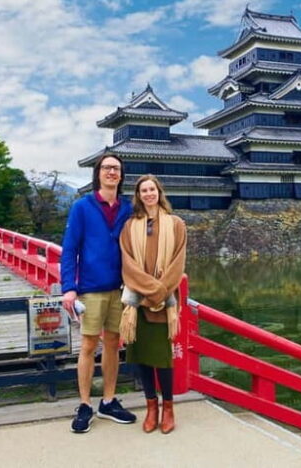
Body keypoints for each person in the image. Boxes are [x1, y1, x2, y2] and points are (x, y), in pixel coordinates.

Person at [60, 153, 137, 433]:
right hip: (91, 287)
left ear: (121, 175)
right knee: (89, 344)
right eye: (106, 168)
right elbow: (70, 248)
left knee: (114, 344)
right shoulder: (82, 207)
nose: (111, 172)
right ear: (98, 173)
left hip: (120, 288)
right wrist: (69, 287)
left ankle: (108, 400)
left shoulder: (127, 208)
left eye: (116, 168)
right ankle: (84, 404)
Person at [119, 174, 187, 434]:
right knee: (143, 357)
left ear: (159, 192)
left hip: (163, 300)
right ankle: (151, 407)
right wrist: (149, 291)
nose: (148, 194)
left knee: (162, 357)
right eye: (143, 190)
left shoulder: (176, 224)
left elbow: (177, 263)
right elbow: (128, 263)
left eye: (152, 189)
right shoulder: (130, 226)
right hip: (137, 301)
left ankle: (168, 408)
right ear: (138, 195)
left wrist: (158, 292)